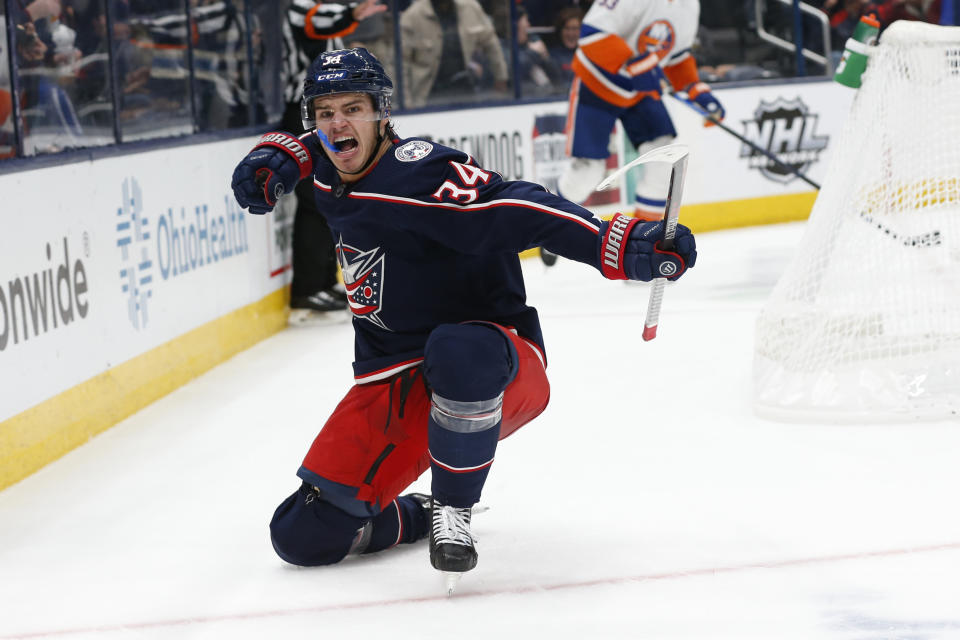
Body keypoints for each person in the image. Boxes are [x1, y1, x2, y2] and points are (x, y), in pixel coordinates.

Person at [230, 48, 697, 586]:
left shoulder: (421, 172)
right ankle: (418, 514)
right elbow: (315, 147)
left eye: (352, 108)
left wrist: (615, 243)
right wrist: (283, 148)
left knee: (457, 349)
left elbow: (518, 204)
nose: (338, 124)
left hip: (495, 360)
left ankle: (455, 513)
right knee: (301, 534)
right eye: (325, 111)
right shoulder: (329, 159)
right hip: (391, 374)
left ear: (382, 112)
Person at [557, 0, 726, 220]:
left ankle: (642, 239)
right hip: (597, 86)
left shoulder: (690, 5)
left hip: (639, 92)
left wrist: (695, 88)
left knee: (663, 159)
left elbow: (677, 56)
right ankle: (553, 221)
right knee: (587, 172)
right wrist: (634, 64)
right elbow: (591, 34)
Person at [281, 0, 387, 323]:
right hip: (305, 114)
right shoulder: (302, 6)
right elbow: (319, 21)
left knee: (329, 194)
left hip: (325, 111)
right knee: (314, 199)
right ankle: (307, 288)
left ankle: (325, 280)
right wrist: (352, 14)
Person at [400, 0, 509, 108]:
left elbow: (491, 43)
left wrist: (501, 77)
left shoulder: (471, 8)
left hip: (464, 92)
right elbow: (401, 64)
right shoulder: (412, 17)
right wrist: (406, 103)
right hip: (427, 97)